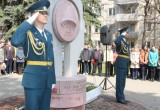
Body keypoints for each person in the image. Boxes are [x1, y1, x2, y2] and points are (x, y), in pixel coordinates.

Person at [11, 1, 56, 110]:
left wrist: (53, 79)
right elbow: (15, 41)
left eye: (47, 13)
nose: (46, 15)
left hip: (47, 80)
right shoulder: (28, 32)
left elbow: (51, 58)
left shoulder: (48, 35)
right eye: (42, 13)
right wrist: (29, 21)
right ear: (34, 15)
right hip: (33, 79)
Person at [113, 26, 130, 104]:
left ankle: (122, 96)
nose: (128, 34)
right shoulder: (120, 40)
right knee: (120, 81)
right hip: (120, 62)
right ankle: (119, 98)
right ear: (124, 33)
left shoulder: (125, 41)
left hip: (125, 63)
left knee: (123, 81)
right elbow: (115, 42)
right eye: (127, 32)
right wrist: (122, 35)